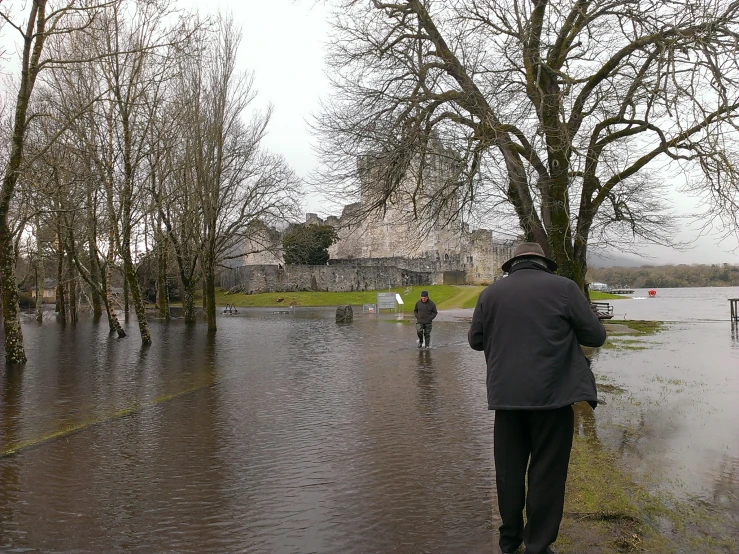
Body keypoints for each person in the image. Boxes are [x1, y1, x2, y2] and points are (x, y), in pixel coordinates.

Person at [468, 242, 606, 554]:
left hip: (506, 398)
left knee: (508, 471)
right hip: (553, 396)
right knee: (546, 472)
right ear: (544, 263)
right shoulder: (565, 289)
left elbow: (476, 341)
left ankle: (509, 540)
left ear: (512, 265)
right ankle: (538, 544)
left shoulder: (490, 294)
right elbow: (595, 336)